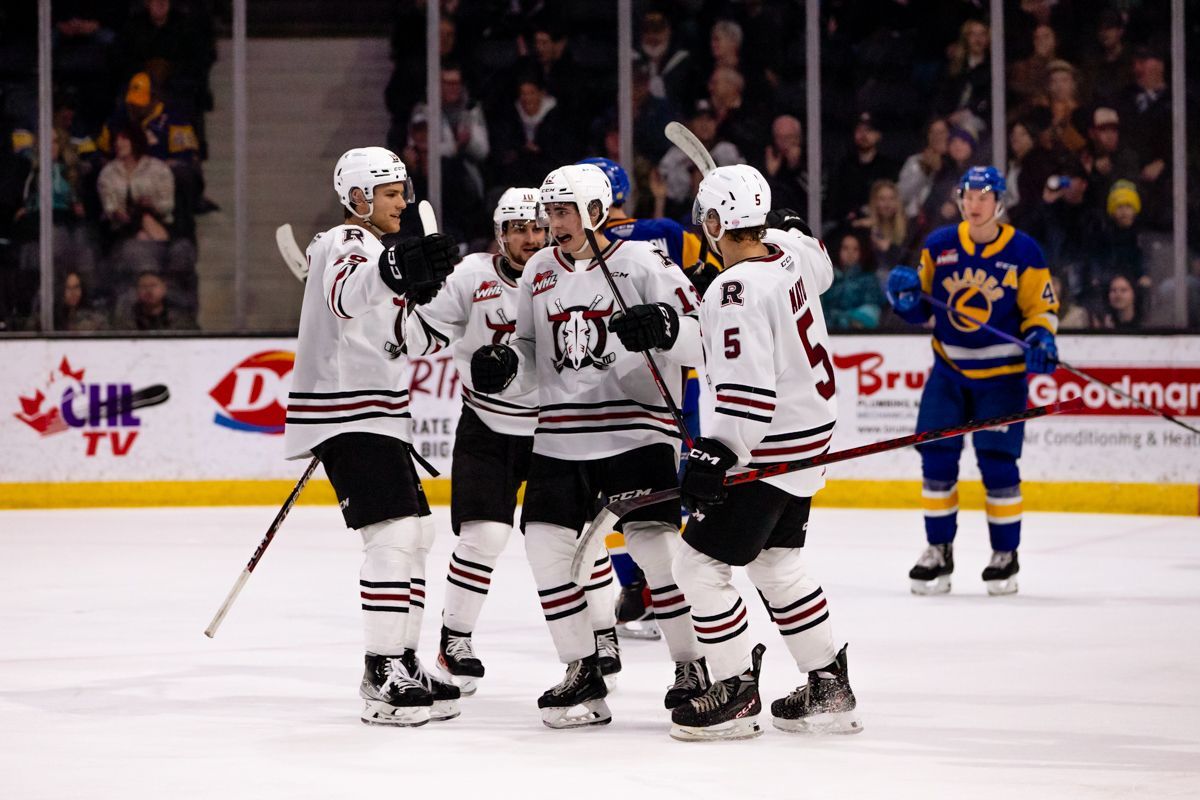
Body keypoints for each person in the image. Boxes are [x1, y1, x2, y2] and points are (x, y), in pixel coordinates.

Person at [469, 163, 708, 728]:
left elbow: (703, 340)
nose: (554, 225)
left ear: (596, 211)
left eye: (564, 212)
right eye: (550, 213)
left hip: (637, 429)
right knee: (545, 546)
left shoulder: (645, 262)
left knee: (653, 549)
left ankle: (693, 664)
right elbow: (530, 353)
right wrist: (506, 367)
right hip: (559, 434)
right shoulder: (539, 274)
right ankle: (582, 669)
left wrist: (666, 329)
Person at [668, 165, 861, 741]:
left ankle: (734, 691)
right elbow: (819, 263)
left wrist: (717, 453)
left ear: (712, 222)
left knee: (697, 565)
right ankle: (829, 686)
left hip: (766, 450)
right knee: (775, 562)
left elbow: (746, 390)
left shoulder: (732, 289)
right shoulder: (787, 252)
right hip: (809, 441)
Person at [283, 146, 462, 727]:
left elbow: (407, 340)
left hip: (380, 415)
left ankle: (403, 657)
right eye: (390, 194)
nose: (402, 203)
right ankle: (381, 668)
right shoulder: (345, 243)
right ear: (359, 198)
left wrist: (432, 306)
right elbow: (344, 296)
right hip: (346, 414)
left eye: (403, 192)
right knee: (391, 535)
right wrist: (398, 270)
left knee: (417, 533)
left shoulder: (377, 255)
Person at [402, 188, 562, 695]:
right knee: (485, 538)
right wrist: (416, 298)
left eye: (537, 228)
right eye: (519, 228)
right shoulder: (471, 277)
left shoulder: (567, 275)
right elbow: (419, 335)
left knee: (572, 543)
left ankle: (597, 643)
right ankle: (456, 639)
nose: (530, 238)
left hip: (554, 430)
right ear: (501, 234)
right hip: (487, 426)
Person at [886, 166, 1059, 597]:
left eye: (984, 196)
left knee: (998, 466)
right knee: (937, 461)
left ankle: (1005, 555)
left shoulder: (1024, 250)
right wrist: (902, 299)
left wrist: (1040, 337)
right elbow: (921, 307)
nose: (974, 203)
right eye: (968, 195)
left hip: (1002, 379)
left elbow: (1041, 308)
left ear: (1000, 202)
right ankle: (937, 551)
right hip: (948, 374)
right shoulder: (940, 245)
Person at [575, 156, 723, 641]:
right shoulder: (665, 231)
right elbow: (714, 275)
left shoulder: (572, 249)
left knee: (613, 499)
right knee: (672, 490)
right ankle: (673, 593)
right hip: (675, 383)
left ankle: (634, 591)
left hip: (603, 387)